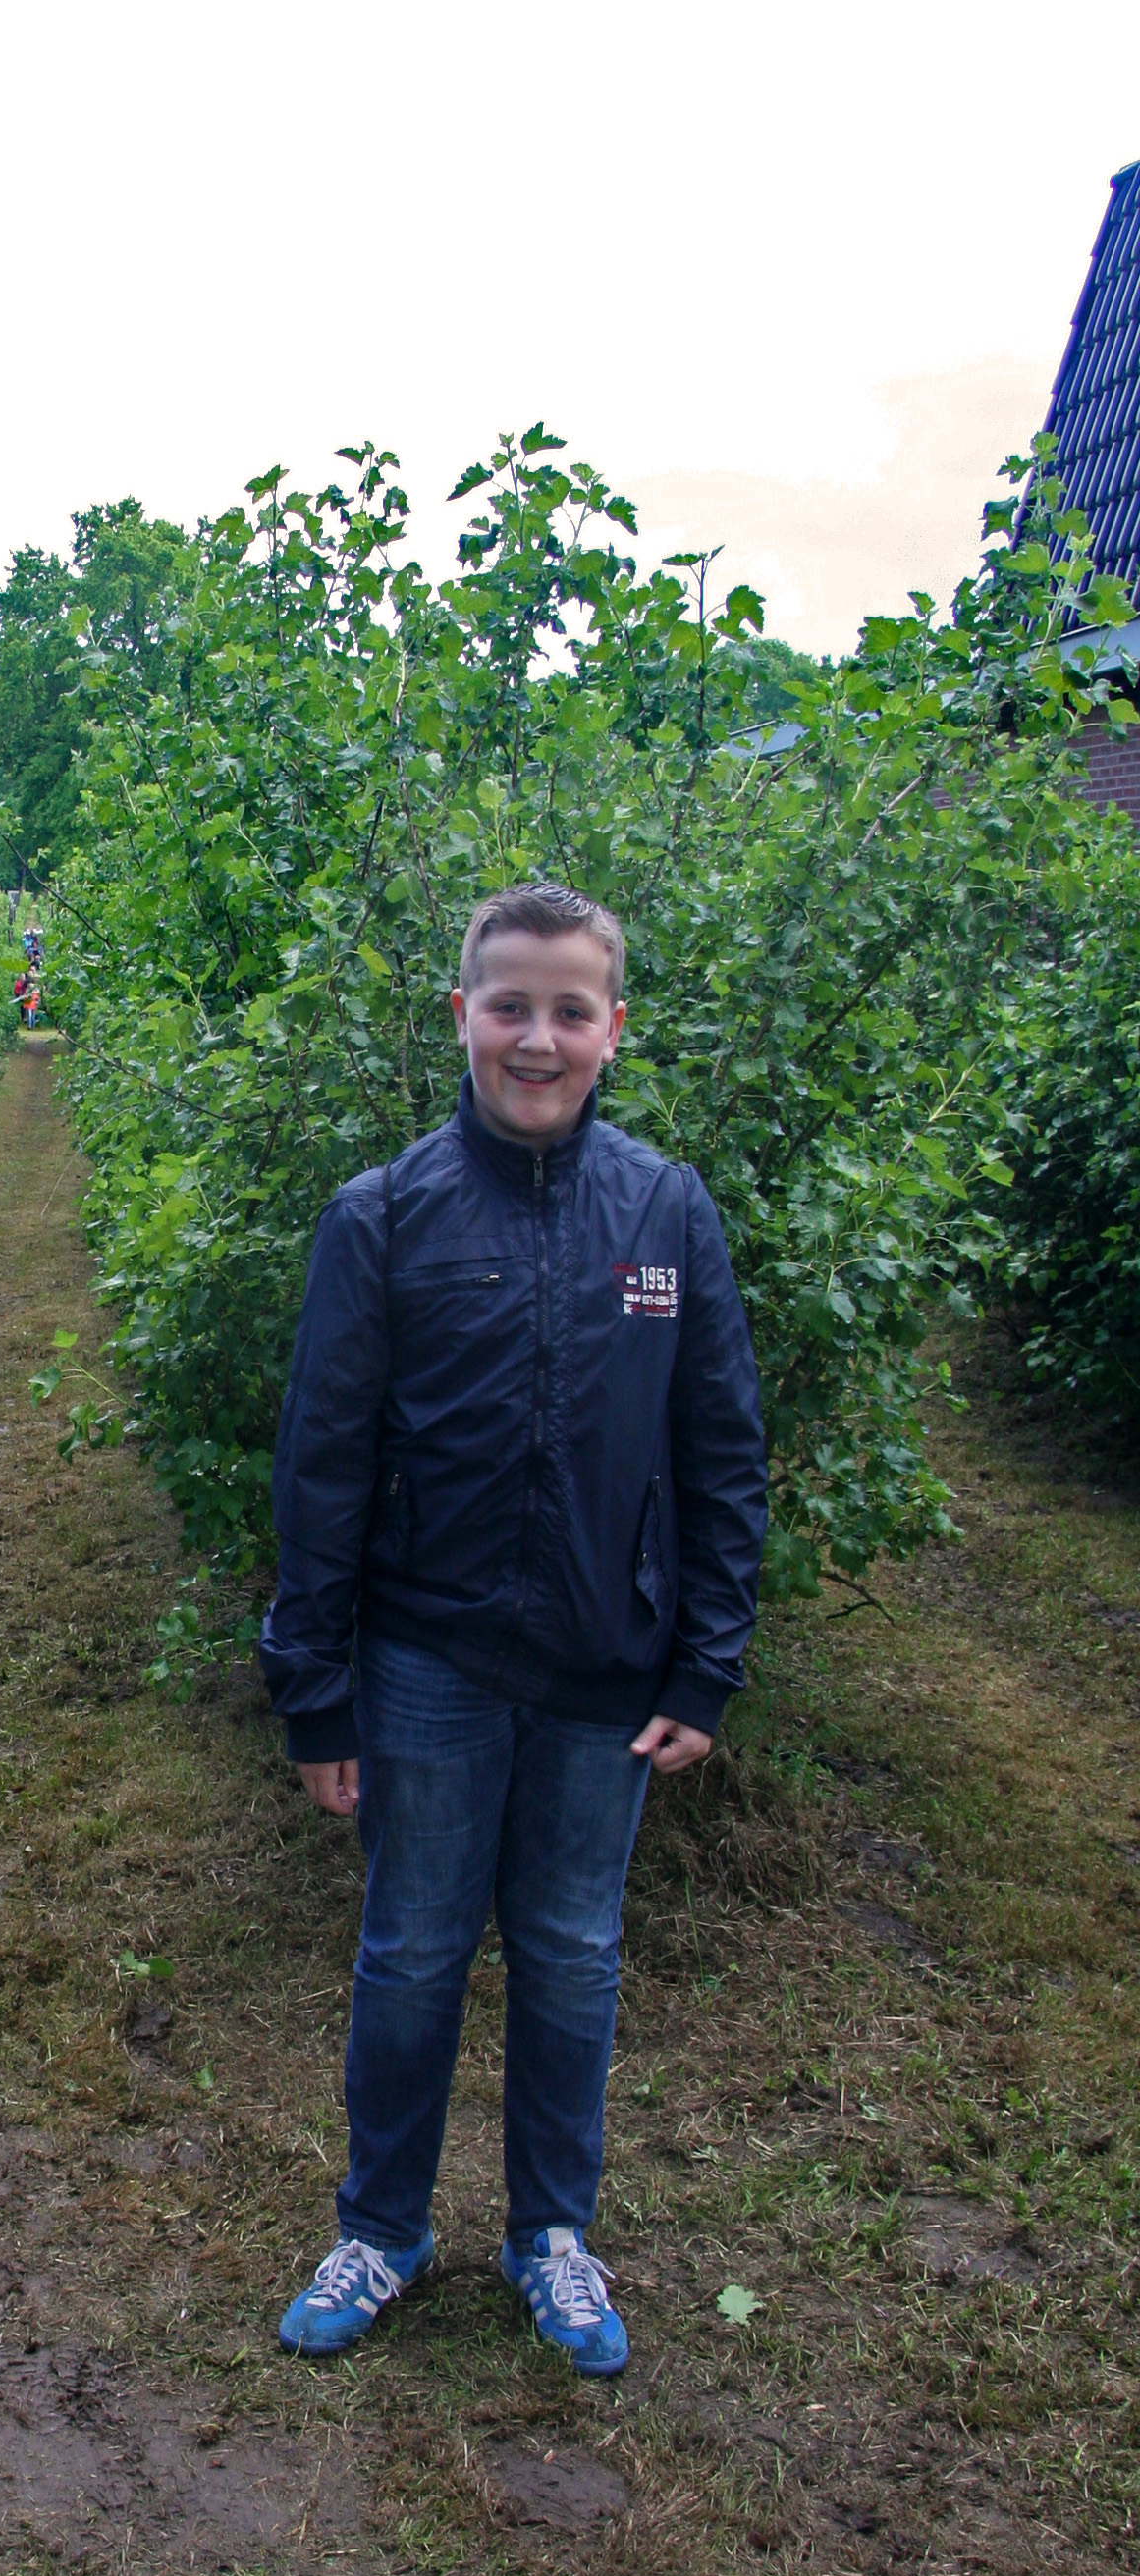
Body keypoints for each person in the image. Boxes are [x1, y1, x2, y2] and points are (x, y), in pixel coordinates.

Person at [258, 882, 766, 2375]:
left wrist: (706, 1662)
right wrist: (315, 1687)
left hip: (608, 1670)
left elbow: (720, 1449)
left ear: (613, 1029)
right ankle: (381, 2229)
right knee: (413, 1951)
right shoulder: (384, 1215)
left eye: (568, 1011)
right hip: (429, 1661)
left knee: (571, 1953)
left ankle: (550, 2234)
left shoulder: (665, 1212)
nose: (536, 1039)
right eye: (509, 1007)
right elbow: (321, 1463)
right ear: (460, 1017)